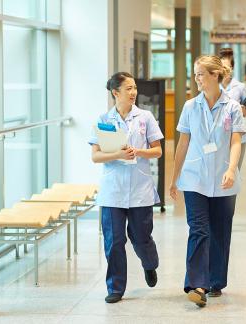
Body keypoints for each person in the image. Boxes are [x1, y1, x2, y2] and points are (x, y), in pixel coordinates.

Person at [169, 55, 246, 307]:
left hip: (224, 179)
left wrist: (232, 169)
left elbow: (236, 141)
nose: (196, 78)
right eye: (195, 74)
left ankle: (215, 281)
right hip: (195, 179)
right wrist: (174, 178)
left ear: (215, 75)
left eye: (200, 73)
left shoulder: (232, 107)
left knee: (220, 232)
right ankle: (197, 284)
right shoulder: (191, 106)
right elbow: (183, 143)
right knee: (199, 229)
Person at [88, 72, 164, 304]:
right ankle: (115, 287)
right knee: (114, 240)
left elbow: (158, 150)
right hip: (113, 191)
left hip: (140, 188)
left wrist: (138, 152)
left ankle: (149, 264)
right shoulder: (103, 120)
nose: (133, 92)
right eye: (128, 89)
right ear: (115, 93)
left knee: (140, 238)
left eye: (134, 88)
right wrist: (117, 154)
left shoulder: (146, 117)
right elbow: (96, 156)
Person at [219, 47, 246, 167]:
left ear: (232, 68)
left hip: (238, 137)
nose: (224, 70)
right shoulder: (213, 87)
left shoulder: (240, 87)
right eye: (222, 67)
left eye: (227, 67)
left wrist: (243, 110)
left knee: (235, 171)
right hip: (218, 136)